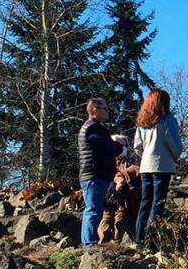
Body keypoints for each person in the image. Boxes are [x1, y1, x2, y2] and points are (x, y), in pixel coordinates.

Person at [133, 88, 182, 242]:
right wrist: (174, 157)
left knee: (145, 202)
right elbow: (174, 144)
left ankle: (139, 239)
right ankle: (152, 240)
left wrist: (145, 157)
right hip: (162, 165)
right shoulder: (168, 119)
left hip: (145, 166)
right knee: (158, 203)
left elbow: (137, 146)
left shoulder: (142, 122)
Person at [78, 97, 127, 246]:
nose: (108, 111)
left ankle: (89, 242)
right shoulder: (93, 127)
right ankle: (89, 243)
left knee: (95, 209)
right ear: (95, 110)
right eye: (105, 108)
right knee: (93, 210)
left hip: (96, 174)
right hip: (94, 174)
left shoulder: (94, 127)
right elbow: (107, 146)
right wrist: (121, 148)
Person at [98, 156, 141, 244]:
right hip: (119, 195)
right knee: (117, 216)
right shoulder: (130, 162)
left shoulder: (107, 159)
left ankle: (104, 242)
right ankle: (113, 243)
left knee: (111, 216)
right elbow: (122, 179)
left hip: (114, 193)